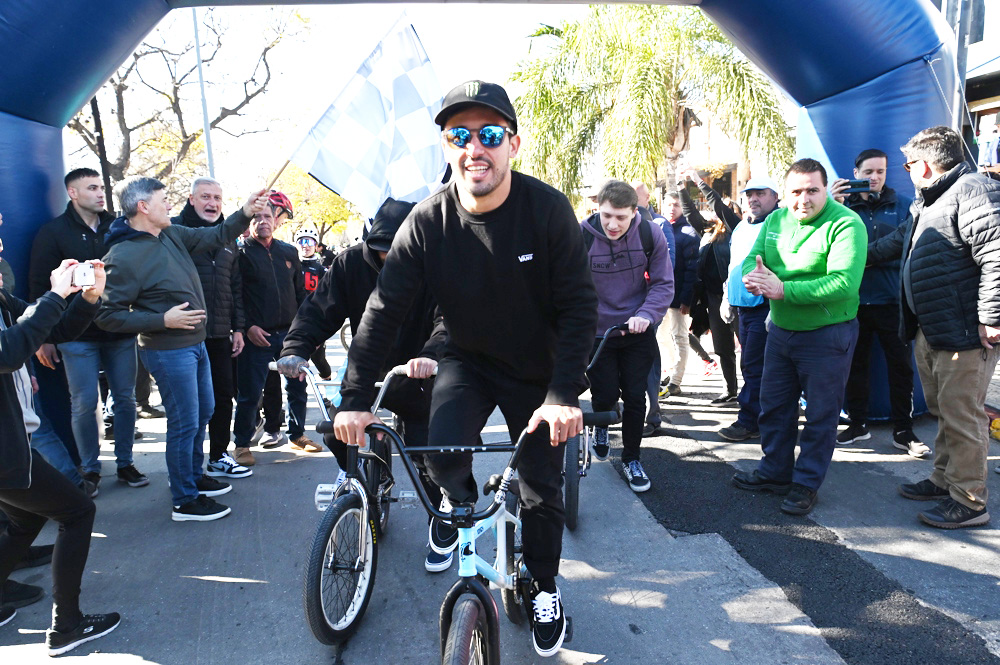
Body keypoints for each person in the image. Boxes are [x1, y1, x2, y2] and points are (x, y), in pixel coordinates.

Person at [333, 80, 597, 657]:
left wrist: (563, 393)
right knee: (442, 452)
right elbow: (383, 311)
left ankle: (545, 585)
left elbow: (580, 308)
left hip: (537, 370)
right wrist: (354, 399)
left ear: (513, 145)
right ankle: (462, 507)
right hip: (467, 357)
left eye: (490, 134)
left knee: (538, 486)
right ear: (446, 148)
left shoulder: (547, 209)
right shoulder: (426, 222)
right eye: (459, 135)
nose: (475, 146)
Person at [279, 198, 454, 571]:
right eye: (381, 251)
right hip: (367, 370)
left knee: (427, 451)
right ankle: (371, 477)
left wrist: (431, 355)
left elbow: (448, 320)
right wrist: (296, 350)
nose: (389, 259)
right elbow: (317, 310)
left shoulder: (437, 263)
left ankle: (440, 514)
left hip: (417, 371)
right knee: (337, 430)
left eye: (398, 251)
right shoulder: (348, 264)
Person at [97, 177, 267, 521]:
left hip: (196, 345)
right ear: (143, 207)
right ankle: (184, 500)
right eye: (163, 201)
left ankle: (192, 479)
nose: (170, 207)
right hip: (167, 350)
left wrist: (245, 212)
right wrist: (163, 319)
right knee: (185, 422)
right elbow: (107, 316)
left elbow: (214, 236)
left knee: (202, 413)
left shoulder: (171, 233)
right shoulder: (123, 254)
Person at [868, 125, 1000, 528]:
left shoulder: (973, 190)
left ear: (923, 165)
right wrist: (847, 254)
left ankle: (969, 501)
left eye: (907, 163)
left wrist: (991, 318)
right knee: (945, 411)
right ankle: (945, 480)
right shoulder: (930, 201)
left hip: (964, 331)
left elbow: (997, 254)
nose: (906, 170)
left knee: (963, 416)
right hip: (933, 327)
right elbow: (894, 246)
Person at [731, 158, 866, 516]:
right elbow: (753, 259)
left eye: (812, 190)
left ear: (826, 189)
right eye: (796, 191)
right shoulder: (776, 219)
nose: (802, 199)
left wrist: (782, 289)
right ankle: (775, 472)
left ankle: (806, 484)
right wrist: (753, 277)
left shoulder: (846, 223)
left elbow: (843, 283)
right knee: (774, 406)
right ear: (784, 192)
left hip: (827, 336)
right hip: (780, 332)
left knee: (821, 415)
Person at [0, 257, 120, 655]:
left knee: (26, 517)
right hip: (4, 453)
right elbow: (10, 351)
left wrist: (88, 296)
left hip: (10, 445)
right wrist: (53, 293)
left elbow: (56, 328)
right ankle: (66, 626)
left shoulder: (2, 299)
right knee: (77, 511)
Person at [28, 168, 147, 492]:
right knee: (83, 403)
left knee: (124, 400)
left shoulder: (119, 226)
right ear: (73, 193)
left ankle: (126, 464)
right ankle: (90, 470)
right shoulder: (52, 233)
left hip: (119, 331)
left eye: (101, 187)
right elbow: (39, 286)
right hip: (75, 336)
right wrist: (45, 338)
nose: (100, 193)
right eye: (91, 187)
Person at [830, 149, 926, 456]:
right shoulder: (842, 207)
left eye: (881, 172)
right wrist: (833, 206)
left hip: (891, 302)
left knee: (900, 368)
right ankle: (857, 424)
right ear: (855, 173)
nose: (875, 178)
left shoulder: (902, 205)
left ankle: (904, 431)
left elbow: (907, 245)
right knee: (855, 366)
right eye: (868, 172)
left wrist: (862, 259)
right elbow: (830, 247)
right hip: (852, 302)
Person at [581, 179, 673, 492]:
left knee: (636, 397)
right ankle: (602, 425)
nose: (613, 223)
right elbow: (565, 284)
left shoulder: (650, 234)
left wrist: (646, 315)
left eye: (621, 217)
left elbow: (663, 283)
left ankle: (632, 459)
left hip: (637, 329)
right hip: (598, 334)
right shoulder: (581, 236)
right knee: (604, 394)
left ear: (635, 212)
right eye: (607, 215)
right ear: (598, 208)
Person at [173, 177, 252, 478]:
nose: (213, 203)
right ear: (191, 199)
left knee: (223, 397)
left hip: (220, 334)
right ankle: (187, 470)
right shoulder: (174, 232)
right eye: (205, 196)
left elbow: (235, 288)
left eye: (218, 198)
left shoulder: (230, 238)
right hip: (184, 335)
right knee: (190, 408)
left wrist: (238, 328)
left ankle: (218, 456)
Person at [232, 192, 311, 456]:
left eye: (268, 216)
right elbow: (236, 297)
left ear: (276, 221)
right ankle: (242, 444)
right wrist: (247, 327)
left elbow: (301, 295)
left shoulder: (289, 252)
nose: (263, 221)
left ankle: (297, 435)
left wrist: (305, 331)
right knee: (250, 394)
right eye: (257, 217)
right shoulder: (239, 254)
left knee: (297, 388)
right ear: (248, 222)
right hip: (257, 337)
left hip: (290, 336)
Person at [717, 176, 781, 442]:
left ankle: (750, 421)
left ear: (775, 196)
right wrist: (727, 296)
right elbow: (735, 265)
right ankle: (758, 418)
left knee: (755, 366)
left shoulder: (782, 224)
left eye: (761, 193)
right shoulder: (743, 226)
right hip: (742, 307)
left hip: (765, 307)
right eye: (749, 194)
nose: (753, 198)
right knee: (751, 365)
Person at [677, 171, 739, 403]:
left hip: (736, 296)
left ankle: (755, 393)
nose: (716, 212)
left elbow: (720, 207)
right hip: (714, 298)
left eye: (723, 209)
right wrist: (682, 188)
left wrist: (700, 183)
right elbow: (690, 213)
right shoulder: (708, 231)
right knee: (722, 347)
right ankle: (730, 390)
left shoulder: (737, 230)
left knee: (749, 349)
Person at [633, 181, 676, 436]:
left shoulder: (657, 226)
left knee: (645, 355)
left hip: (647, 306)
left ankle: (651, 415)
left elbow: (666, 269)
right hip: (621, 308)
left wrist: (649, 309)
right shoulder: (606, 226)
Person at [658, 191, 699, 397]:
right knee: (661, 337)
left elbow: (692, 269)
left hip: (679, 297)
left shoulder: (688, 232)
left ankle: (676, 381)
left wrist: (686, 299)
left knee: (680, 338)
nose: (672, 208)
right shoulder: (658, 227)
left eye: (676, 204)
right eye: (668, 205)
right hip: (660, 296)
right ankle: (670, 370)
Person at [293, 226, 334, 411]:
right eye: (301, 241)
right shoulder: (291, 265)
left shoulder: (321, 269)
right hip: (294, 319)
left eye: (309, 241)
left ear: (316, 245)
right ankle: (298, 398)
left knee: (320, 361)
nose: (305, 245)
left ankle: (328, 394)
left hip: (314, 320)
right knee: (296, 360)